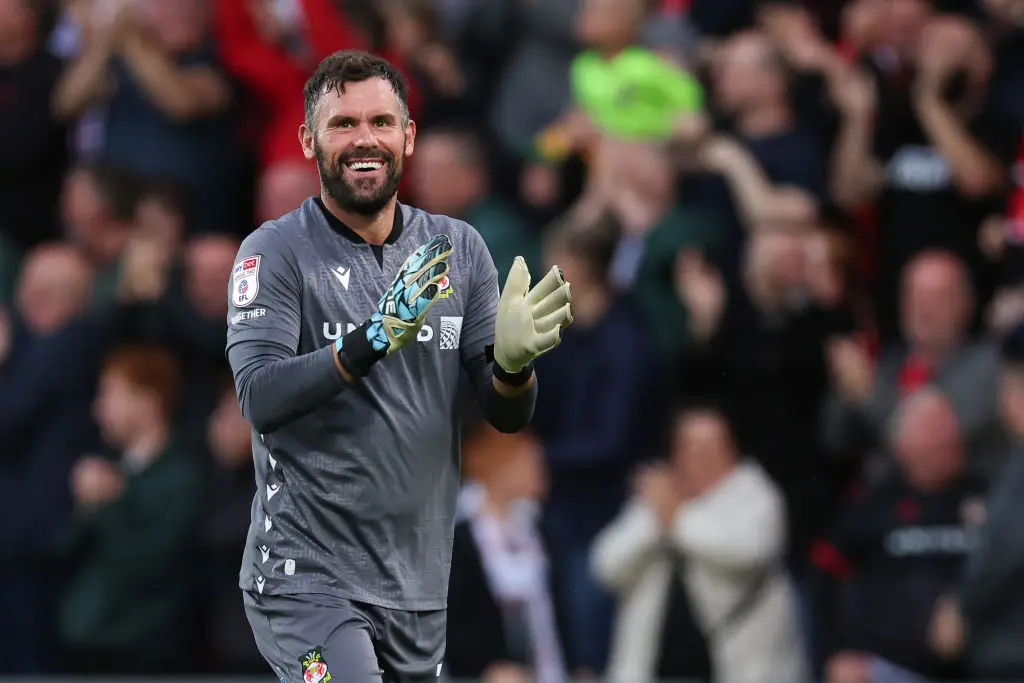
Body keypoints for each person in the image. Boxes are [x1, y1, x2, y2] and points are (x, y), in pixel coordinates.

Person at [225, 50, 574, 683]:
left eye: (381, 122)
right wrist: (373, 337)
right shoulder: (273, 252)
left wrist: (514, 368)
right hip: (307, 579)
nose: (365, 139)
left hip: (416, 584)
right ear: (308, 141)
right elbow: (261, 396)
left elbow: (506, 415)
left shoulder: (459, 249)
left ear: (407, 137)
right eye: (343, 124)